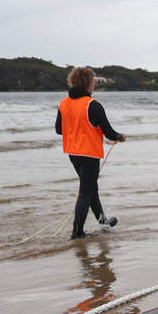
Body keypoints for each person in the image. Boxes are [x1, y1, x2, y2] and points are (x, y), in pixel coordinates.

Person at [56, 66, 126, 239]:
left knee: (91, 188)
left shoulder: (63, 103)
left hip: (73, 153)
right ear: (88, 83)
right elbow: (110, 133)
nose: (94, 85)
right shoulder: (92, 105)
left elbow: (59, 130)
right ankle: (77, 232)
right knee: (86, 193)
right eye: (93, 81)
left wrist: (77, 129)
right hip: (89, 155)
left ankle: (103, 222)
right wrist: (120, 136)